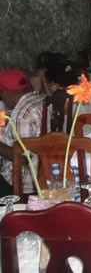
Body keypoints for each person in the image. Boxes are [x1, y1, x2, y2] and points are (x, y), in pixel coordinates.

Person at [0, 68, 46, 197]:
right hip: (43, 173)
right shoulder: (39, 99)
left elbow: (24, 158)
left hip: (22, 184)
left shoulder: (23, 115)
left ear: (6, 92)